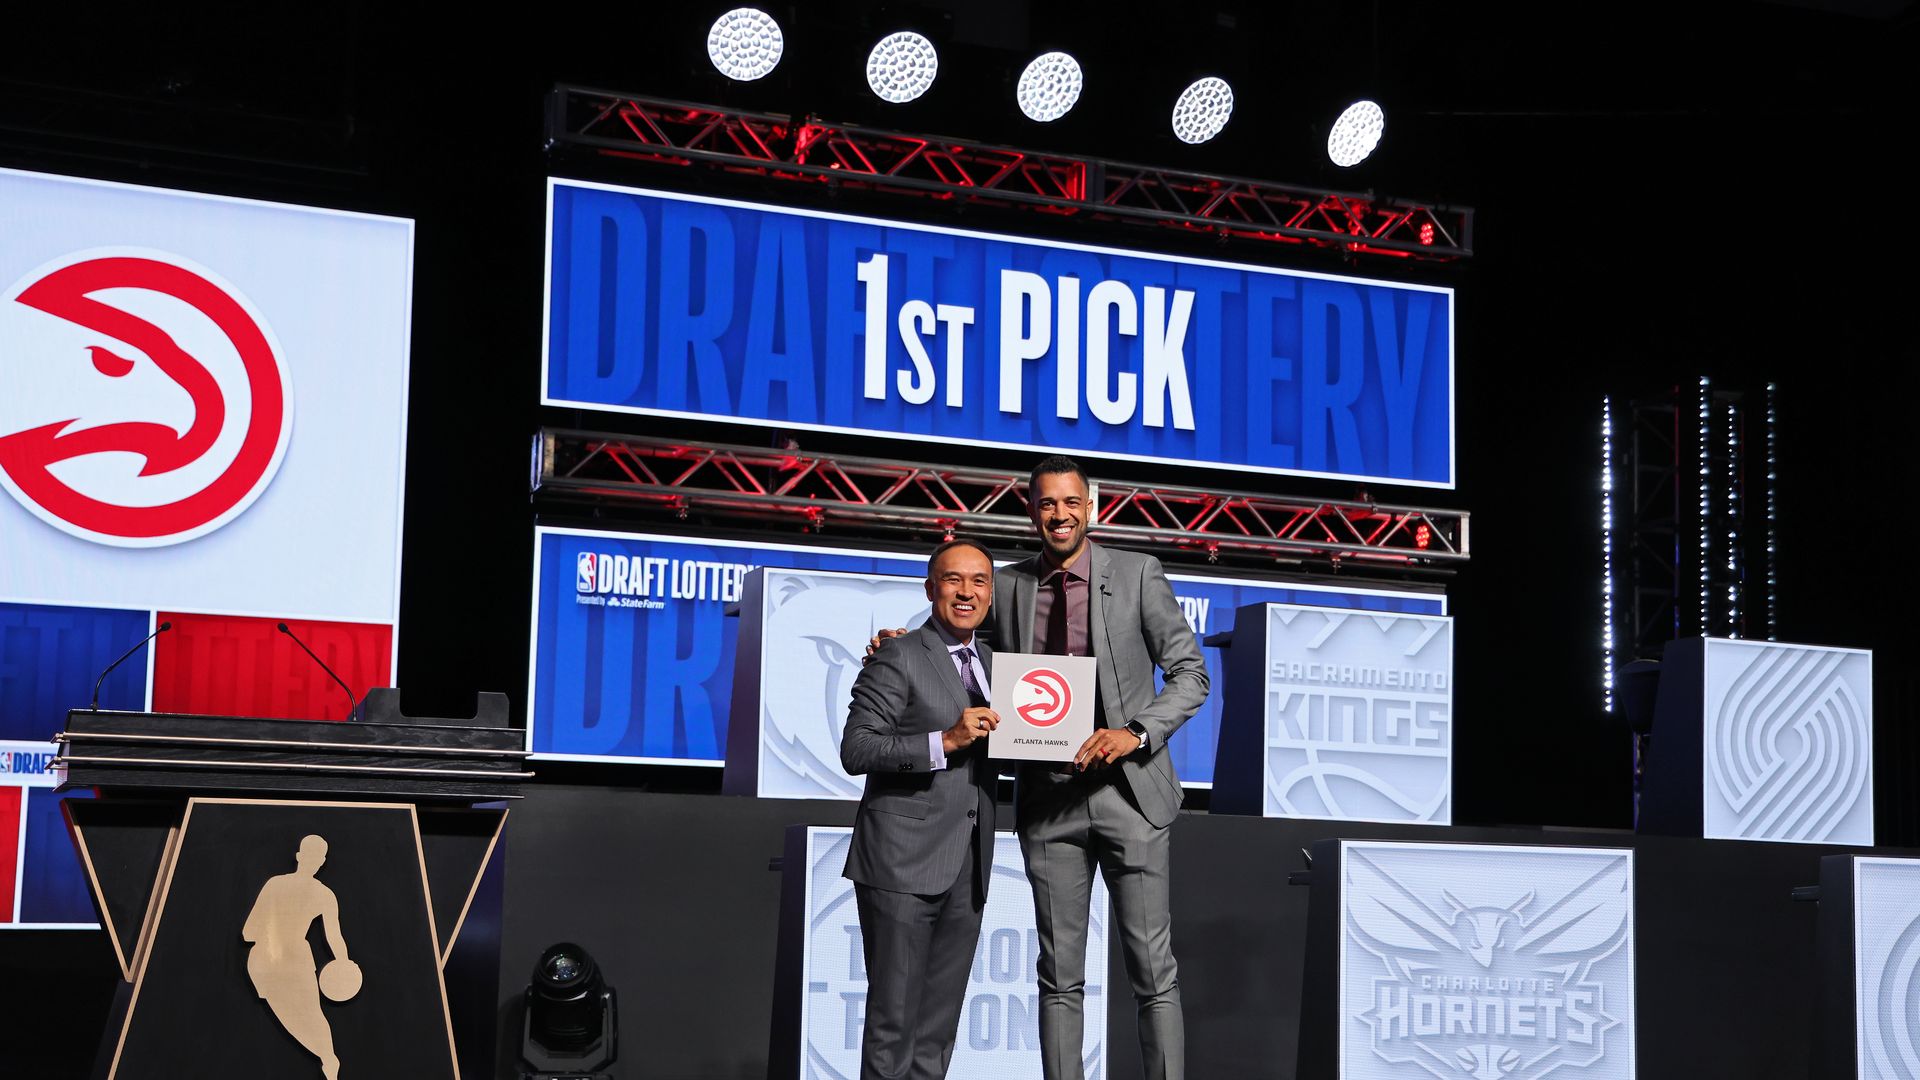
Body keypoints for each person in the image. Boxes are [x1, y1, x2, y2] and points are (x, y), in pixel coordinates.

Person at [997, 455, 1207, 1080]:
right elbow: (966, 662)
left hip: (1131, 798)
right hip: (1047, 800)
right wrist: (900, 645)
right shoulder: (1006, 585)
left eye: (1069, 503)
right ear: (1030, 509)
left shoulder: (1138, 574)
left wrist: (1134, 733)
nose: (1058, 515)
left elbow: (1191, 675)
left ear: (1091, 507)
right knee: (1059, 977)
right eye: (1046, 504)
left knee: (1152, 972)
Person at [840, 539, 1002, 1080]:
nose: (966, 592)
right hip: (900, 864)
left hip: (968, 865)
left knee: (936, 1033)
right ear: (931, 588)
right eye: (953, 580)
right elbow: (857, 749)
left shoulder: (999, 666)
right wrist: (946, 742)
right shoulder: (899, 655)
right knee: (893, 1024)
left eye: (979, 581)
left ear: (991, 593)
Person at [242, 834, 353, 1080]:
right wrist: (344, 963)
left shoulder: (275, 884)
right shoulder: (324, 895)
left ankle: (327, 1058)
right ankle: (327, 1058)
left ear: (299, 857)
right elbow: (335, 939)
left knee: (300, 1018)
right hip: (289, 960)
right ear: (321, 862)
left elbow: (249, 931)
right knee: (309, 1015)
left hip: (270, 959)